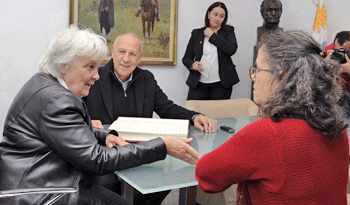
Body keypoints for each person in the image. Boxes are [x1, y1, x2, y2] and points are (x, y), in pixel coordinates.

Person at [0, 26, 201, 205]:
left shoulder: (44, 82)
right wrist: (163, 145)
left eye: (97, 67)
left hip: (45, 176)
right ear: (63, 65)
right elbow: (97, 160)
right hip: (42, 191)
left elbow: (67, 131)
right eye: (90, 67)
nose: (96, 75)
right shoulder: (58, 99)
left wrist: (104, 135)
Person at [195, 31, 349, 204]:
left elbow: (206, 175)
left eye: (257, 69)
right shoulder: (338, 128)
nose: (253, 77)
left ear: (281, 77)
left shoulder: (266, 133)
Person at [83, 33, 216, 205]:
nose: (126, 59)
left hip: (141, 151)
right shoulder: (95, 76)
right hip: (106, 152)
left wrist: (195, 116)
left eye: (132, 54)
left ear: (140, 58)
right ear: (113, 51)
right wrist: (88, 120)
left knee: (169, 177)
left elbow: (167, 108)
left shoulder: (146, 78)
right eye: (122, 52)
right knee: (105, 185)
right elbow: (74, 106)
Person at [182, 2, 239, 100]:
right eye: (215, 14)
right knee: (194, 112)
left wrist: (212, 36)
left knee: (218, 114)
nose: (217, 19)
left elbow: (231, 49)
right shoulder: (196, 33)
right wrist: (193, 65)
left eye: (221, 16)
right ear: (209, 14)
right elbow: (186, 58)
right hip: (198, 84)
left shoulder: (228, 31)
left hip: (221, 85)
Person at [324, 31, 350, 119]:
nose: (341, 54)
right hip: (336, 90)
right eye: (339, 50)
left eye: (346, 51)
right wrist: (326, 64)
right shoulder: (329, 50)